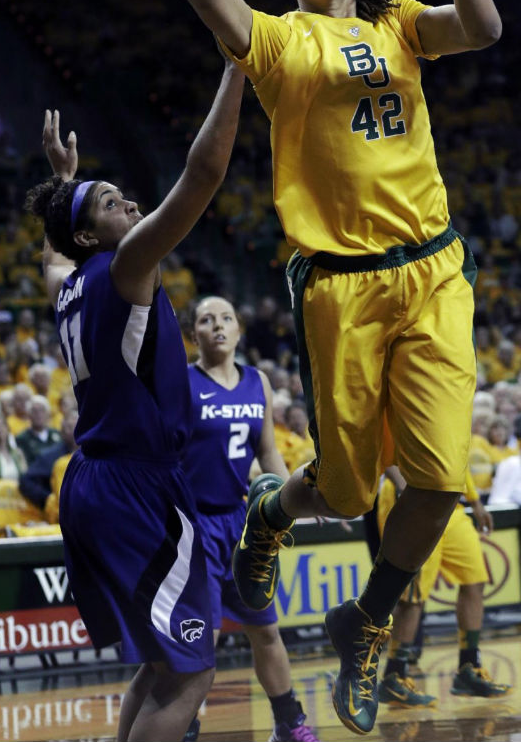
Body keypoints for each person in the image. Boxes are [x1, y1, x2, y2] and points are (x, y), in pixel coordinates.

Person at [95, 0, 502, 735]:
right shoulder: (276, 45)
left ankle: (365, 619)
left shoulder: (401, 25)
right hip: (340, 286)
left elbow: (484, 27)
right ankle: (277, 511)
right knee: (352, 489)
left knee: (440, 482)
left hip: (435, 266)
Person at [25, 61, 243, 742]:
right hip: (135, 484)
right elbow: (202, 176)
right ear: (93, 234)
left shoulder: (73, 278)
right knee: (190, 670)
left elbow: (54, 253)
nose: (128, 202)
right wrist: (240, 62)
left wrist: (68, 186)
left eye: (122, 193)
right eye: (109, 202)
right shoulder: (127, 266)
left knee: (159, 660)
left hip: (96, 477)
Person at [182, 296, 319, 742]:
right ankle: (186, 726)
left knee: (266, 629)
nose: (217, 326)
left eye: (226, 318)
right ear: (194, 333)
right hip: (193, 525)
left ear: (239, 329)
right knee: (204, 639)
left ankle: (289, 722)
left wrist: (300, 500)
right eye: (206, 319)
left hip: (241, 524)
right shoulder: (180, 383)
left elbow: (268, 452)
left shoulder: (256, 381)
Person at [376, 466, 510, 706]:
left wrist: (475, 500)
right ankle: (394, 676)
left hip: (450, 500)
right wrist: (401, 485)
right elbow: (386, 444)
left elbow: (457, 450)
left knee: (474, 578)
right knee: (412, 593)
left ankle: (469, 668)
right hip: (413, 494)